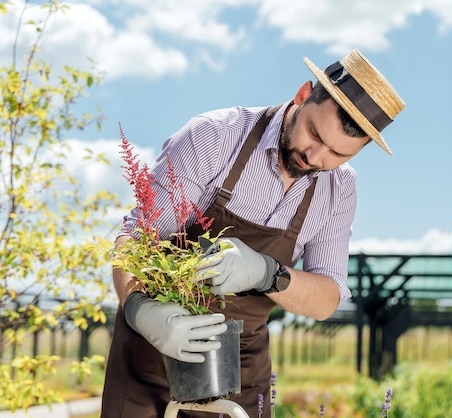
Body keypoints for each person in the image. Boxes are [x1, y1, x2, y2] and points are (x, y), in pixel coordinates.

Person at [100, 49, 405, 418]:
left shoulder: (339, 190)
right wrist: (140, 309)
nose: (315, 156)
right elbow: (136, 239)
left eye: (337, 154)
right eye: (313, 134)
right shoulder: (214, 138)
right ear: (303, 95)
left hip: (242, 372)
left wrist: (268, 273)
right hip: (153, 355)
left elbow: (327, 297)